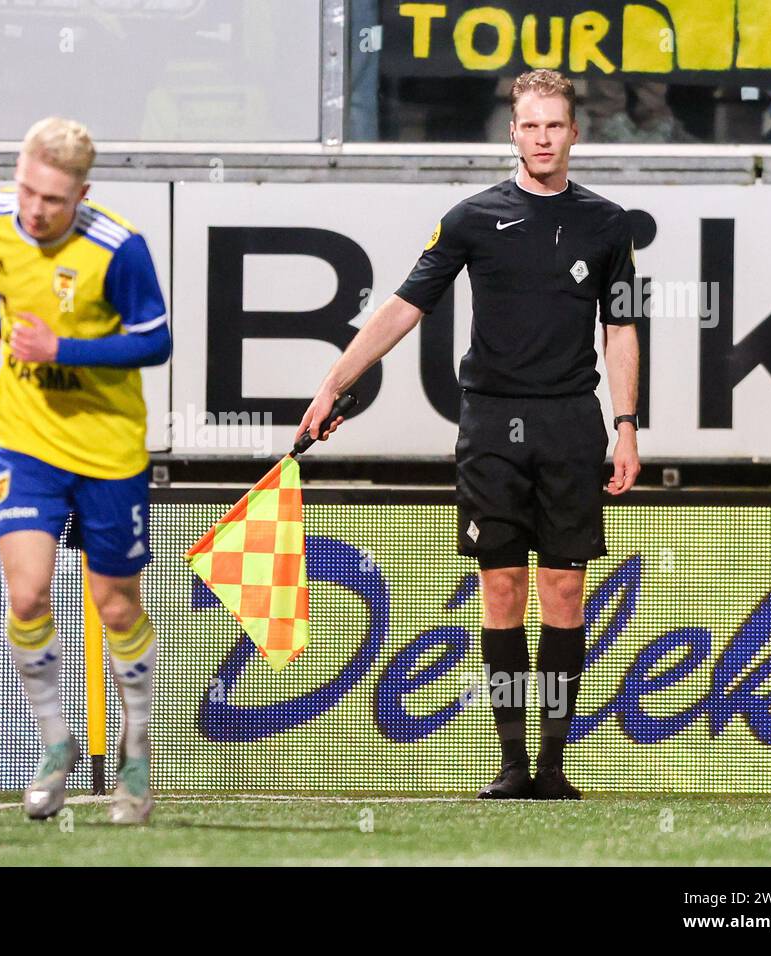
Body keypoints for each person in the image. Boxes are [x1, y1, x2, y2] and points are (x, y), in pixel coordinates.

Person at [298, 69, 640, 800]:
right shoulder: (469, 219)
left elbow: (622, 326)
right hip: (490, 424)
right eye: (531, 125)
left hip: (571, 422)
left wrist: (627, 425)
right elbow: (402, 307)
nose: (543, 137)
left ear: (574, 133)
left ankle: (553, 767)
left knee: (565, 592)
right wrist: (335, 384)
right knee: (502, 588)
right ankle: (513, 766)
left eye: (556, 125)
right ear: (511, 132)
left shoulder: (610, 226)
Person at [0, 117, 171, 825]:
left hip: (110, 448)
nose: (33, 209)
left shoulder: (119, 248)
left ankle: (136, 746)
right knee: (26, 596)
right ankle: (57, 743)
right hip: (25, 440)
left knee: (116, 607)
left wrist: (63, 347)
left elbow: (155, 340)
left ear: (81, 193)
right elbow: (5, 280)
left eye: (51, 199)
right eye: (26, 190)